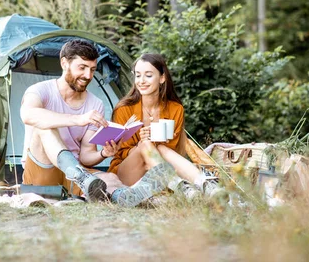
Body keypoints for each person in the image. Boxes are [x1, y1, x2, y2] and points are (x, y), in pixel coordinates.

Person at [20, 39, 173, 205]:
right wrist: (78, 119)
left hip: (78, 176)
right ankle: (82, 177)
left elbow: (85, 156)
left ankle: (123, 195)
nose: (88, 76)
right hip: (43, 172)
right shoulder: (39, 91)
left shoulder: (95, 104)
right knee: (44, 127)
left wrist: (103, 154)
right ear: (64, 63)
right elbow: (28, 114)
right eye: (82, 68)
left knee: (110, 178)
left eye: (92, 69)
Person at [108, 53, 222, 200]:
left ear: (162, 78)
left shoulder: (176, 109)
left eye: (148, 75)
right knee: (145, 145)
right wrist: (141, 145)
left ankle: (207, 185)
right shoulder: (123, 109)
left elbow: (171, 149)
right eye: (137, 75)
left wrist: (153, 142)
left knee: (160, 148)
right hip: (128, 174)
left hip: (161, 168)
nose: (141, 81)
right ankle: (181, 186)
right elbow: (120, 152)